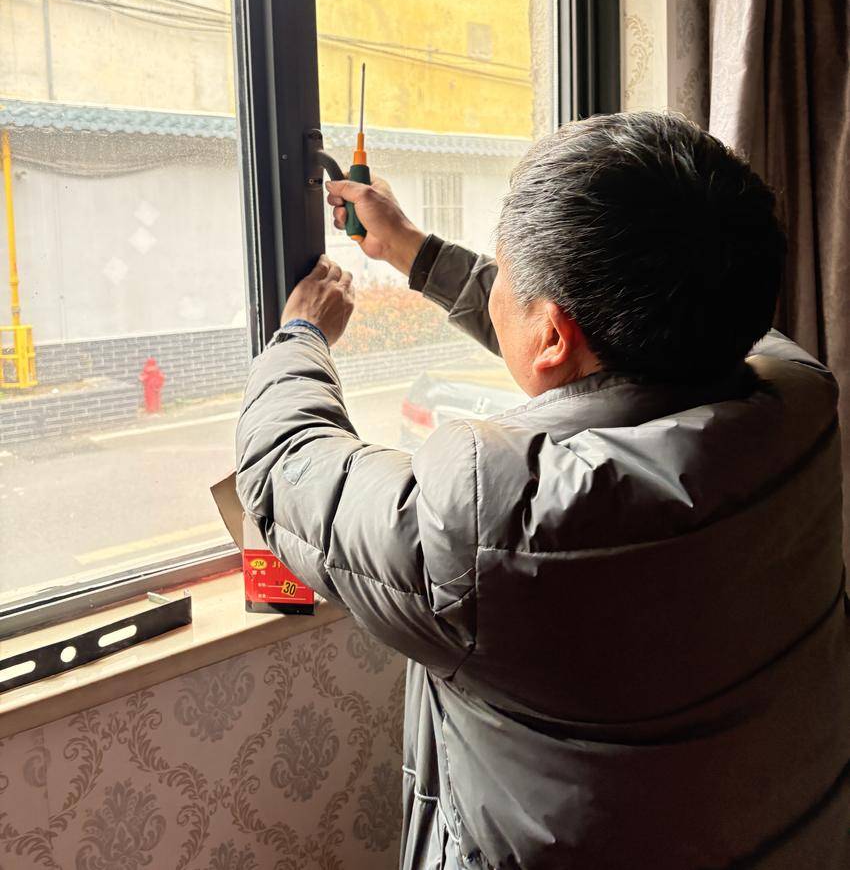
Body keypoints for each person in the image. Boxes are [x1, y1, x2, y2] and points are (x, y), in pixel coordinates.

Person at [235, 112, 850, 869]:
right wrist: (412, 250)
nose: (500, 284)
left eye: (505, 270)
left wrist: (301, 334)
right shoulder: (800, 397)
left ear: (553, 333)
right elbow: (604, 336)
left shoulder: (489, 526)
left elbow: (285, 463)